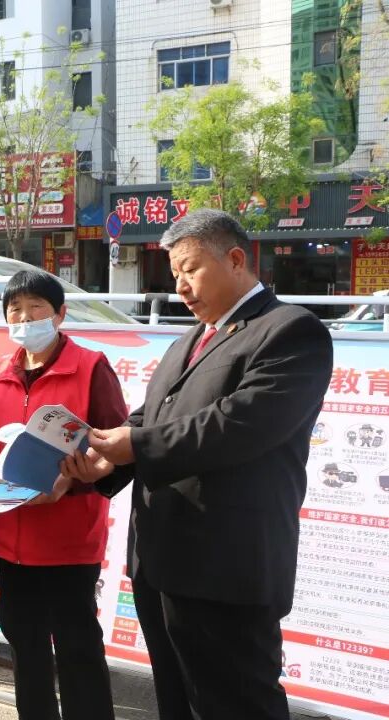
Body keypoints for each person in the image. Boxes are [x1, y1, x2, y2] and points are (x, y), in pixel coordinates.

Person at [62, 209, 333, 720]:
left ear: (236, 260)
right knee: (177, 701)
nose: (181, 287)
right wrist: (104, 460)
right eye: (174, 274)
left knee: (237, 704)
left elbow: (237, 424)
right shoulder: (191, 339)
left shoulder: (290, 331)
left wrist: (136, 446)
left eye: (190, 269)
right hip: (163, 562)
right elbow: (151, 415)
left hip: (226, 568)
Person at [0, 269, 126, 720]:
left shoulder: (90, 367)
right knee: (25, 646)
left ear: (59, 314)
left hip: (68, 538)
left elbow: (116, 445)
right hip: (9, 537)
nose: (24, 318)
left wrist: (73, 480)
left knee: (77, 648)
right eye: (15, 310)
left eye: (35, 308)